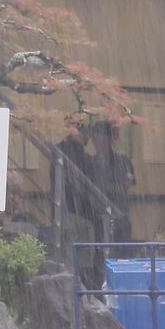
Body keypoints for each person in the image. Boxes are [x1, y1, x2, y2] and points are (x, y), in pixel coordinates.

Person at [89, 120, 135, 289]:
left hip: (120, 215)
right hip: (97, 218)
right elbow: (91, 189)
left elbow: (127, 185)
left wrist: (107, 187)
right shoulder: (90, 163)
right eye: (95, 136)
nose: (97, 140)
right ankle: (101, 291)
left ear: (110, 138)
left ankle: (124, 290)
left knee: (123, 256)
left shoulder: (122, 160)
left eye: (101, 135)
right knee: (99, 257)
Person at [49, 118, 95, 280]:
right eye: (86, 131)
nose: (89, 136)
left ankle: (69, 288)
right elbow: (86, 186)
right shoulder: (81, 156)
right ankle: (77, 290)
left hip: (61, 212)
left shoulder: (58, 151)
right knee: (79, 258)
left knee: (67, 256)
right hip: (78, 213)